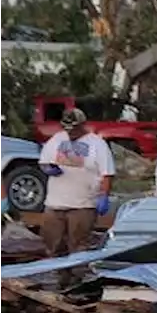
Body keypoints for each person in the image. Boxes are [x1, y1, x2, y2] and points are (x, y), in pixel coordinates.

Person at [38, 108, 114, 282]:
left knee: (78, 246)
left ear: (82, 125)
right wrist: (48, 168)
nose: (70, 132)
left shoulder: (97, 144)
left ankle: (77, 282)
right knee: (53, 243)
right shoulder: (57, 140)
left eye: (74, 129)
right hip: (55, 202)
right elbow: (43, 161)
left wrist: (104, 195)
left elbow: (107, 173)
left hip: (83, 204)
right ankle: (58, 279)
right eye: (67, 129)